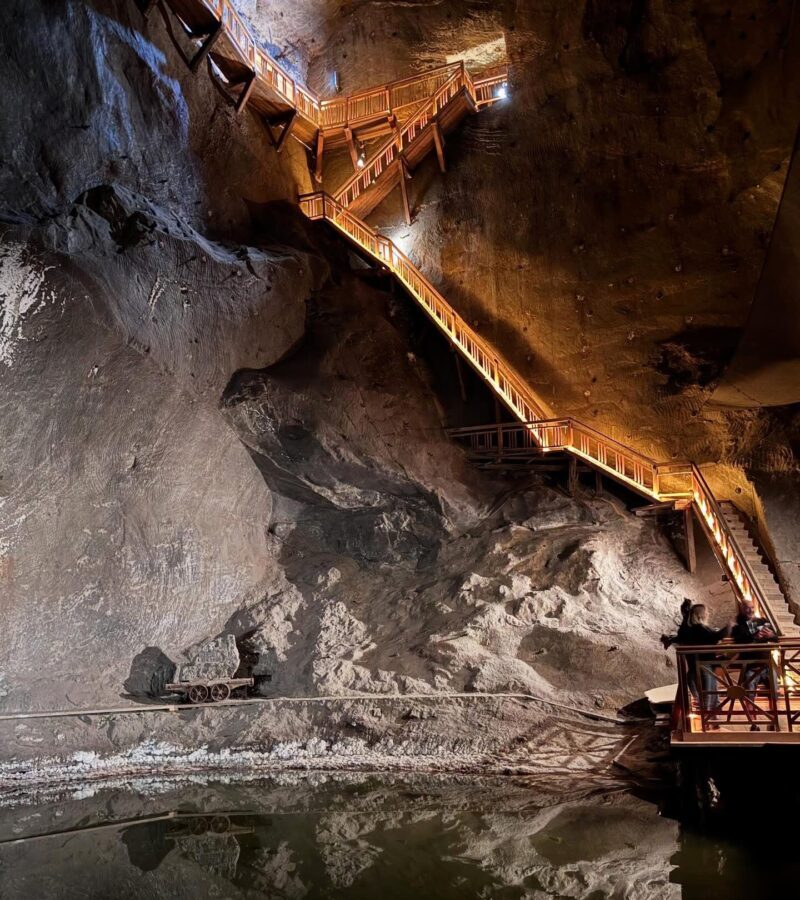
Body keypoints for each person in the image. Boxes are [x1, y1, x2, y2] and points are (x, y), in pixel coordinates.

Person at [676, 604, 733, 725]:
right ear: (701, 615)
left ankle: (712, 719)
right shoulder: (699, 629)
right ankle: (707, 722)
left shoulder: (691, 629)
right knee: (708, 693)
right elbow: (714, 637)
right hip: (703, 665)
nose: (708, 614)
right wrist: (729, 627)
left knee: (710, 692)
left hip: (698, 665)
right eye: (706, 612)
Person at [732, 603, 776, 731]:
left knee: (774, 693)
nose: (750, 610)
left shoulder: (763, 621)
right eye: (747, 607)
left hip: (767, 664)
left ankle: (773, 721)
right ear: (742, 609)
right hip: (750, 665)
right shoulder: (738, 626)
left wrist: (771, 636)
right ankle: (753, 724)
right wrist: (755, 637)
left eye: (752, 607)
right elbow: (740, 642)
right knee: (749, 695)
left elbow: (776, 638)